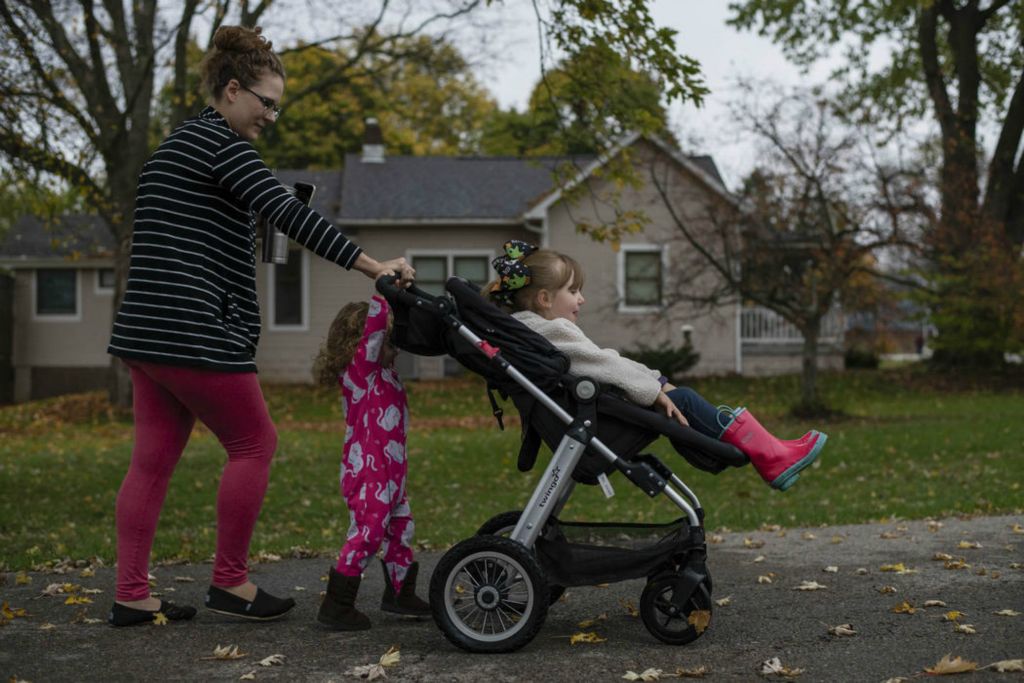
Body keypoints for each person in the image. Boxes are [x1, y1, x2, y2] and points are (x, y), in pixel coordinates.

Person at [106, 25, 415, 627]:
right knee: (255, 444)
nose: (271, 116)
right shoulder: (225, 148)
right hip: (196, 334)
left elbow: (207, 232)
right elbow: (292, 216)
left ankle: (131, 595)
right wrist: (376, 268)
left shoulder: (173, 149)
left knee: (150, 463)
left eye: (277, 105)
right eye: (265, 102)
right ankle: (230, 582)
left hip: (145, 335)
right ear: (230, 90)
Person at [484, 240, 827, 491]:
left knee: (679, 397)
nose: (581, 299)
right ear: (545, 299)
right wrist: (653, 389)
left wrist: (656, 381)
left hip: (589, 414)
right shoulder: (553, 331)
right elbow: (602, 364)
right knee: (686, 401)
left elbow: (605, 361)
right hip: (599, 421)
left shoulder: (530, 330)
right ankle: (769, 455)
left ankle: (770, 452)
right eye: (573, 290)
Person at [311, 295, 430, 631]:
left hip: (392, 471)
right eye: (390, 341)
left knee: (401, 528)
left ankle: (399, 593)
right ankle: (336, 606)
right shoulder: (359, 372)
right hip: (366, 470)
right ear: (360, 343)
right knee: (368, 532)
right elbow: (374, 334)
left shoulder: (385, 374)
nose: (395, 348)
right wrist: (386, 292)